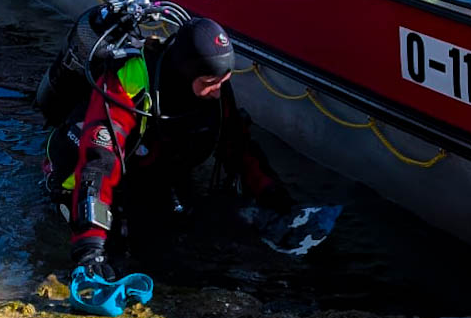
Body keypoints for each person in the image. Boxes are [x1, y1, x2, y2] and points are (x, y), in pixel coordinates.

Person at [42, 16, 293, 279]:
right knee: (120, 257)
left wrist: (274, 197)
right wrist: (90, 246)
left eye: (223, 81)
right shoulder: (129, 79)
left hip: (154, 169)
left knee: (185, 243)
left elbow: (238, 146)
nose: (218, 92)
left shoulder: (214, 85)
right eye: (209, 84)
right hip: (83, 174)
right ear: (186, 72)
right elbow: (99, 163)